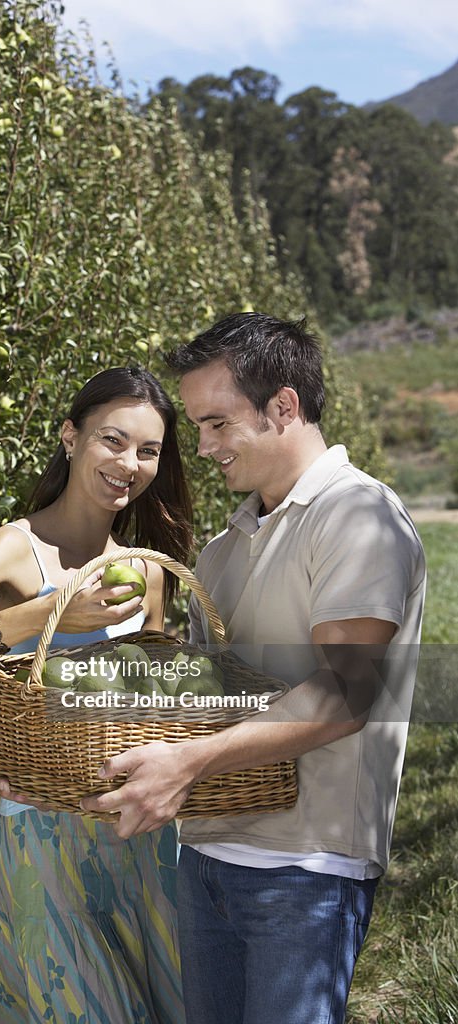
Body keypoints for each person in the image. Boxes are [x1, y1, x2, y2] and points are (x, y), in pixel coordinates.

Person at [80, 314, 426, 1024]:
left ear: (284, 407)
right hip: (208, 857)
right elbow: (202, 699)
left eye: (216, 424)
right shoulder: (222, 550)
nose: (202, 448)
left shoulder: (355, 517)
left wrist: (186, 765)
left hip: (305, 868)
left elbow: (347, 693)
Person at [0, 366, 192, 1024]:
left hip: (139, 836)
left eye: (148, 451)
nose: (128, 463)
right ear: (69, 437)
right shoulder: (10, 552)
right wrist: (43, 616)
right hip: (44, 837)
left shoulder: (143, 573)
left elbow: (155, 704)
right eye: (112, 439)